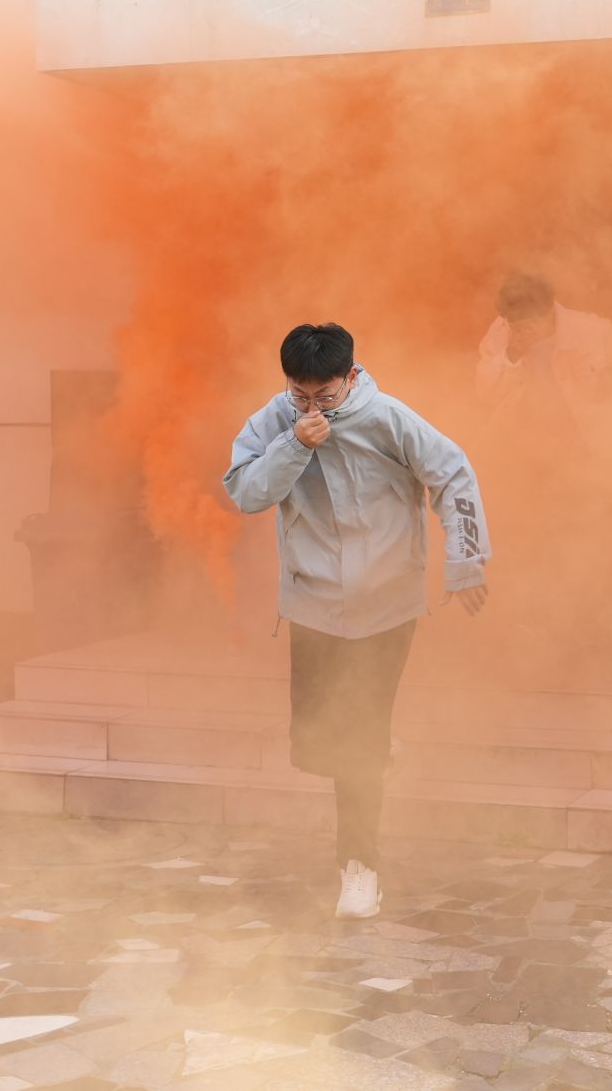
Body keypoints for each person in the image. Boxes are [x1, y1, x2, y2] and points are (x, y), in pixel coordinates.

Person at [224, 322, 490, 920]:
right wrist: (294, 443)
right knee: (317, 743)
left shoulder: (389, 418)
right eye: (300, 394)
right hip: (314, 605)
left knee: (355, 744)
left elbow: (454, 475)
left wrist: (465, 561)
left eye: (325, 396)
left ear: (351, 376)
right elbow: (245, 493)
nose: (312, 407)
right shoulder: (276, 420)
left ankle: (359, 867)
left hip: (385, 606)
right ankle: (379, 751)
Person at [476, 271, 612, 447]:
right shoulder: (500, 333)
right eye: (516, 326)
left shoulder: (591, 331)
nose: (523, 332)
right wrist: (511, 356)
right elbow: (485, 394)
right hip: (525, 442)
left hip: (587, 441)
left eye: (530, 325)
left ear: (549, 313)